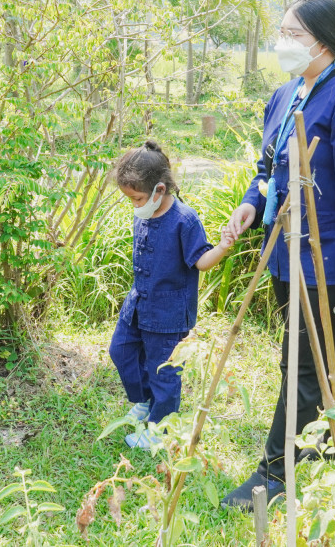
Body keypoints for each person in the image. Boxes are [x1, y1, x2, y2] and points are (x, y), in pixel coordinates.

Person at [221, 0, 335, 509]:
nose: (283, 42)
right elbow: (268, 167)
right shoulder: (287, 94)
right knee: (323, 362)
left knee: (302, 365)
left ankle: (275, 475)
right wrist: (251, 202)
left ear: (323, 41)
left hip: (330, 263)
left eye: (293, 34)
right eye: (282, 32)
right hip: (285, 253)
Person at [109, 141, 235, 450]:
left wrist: (222, 247)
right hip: (139, 303)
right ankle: (144, 400)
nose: (134, 205)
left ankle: (160, 430)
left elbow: (200, 261)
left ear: (160, 190)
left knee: (163, 371)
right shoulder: (144, 212)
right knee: (120, 351)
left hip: (168, 314)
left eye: (137, 198)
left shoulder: (184, 220)